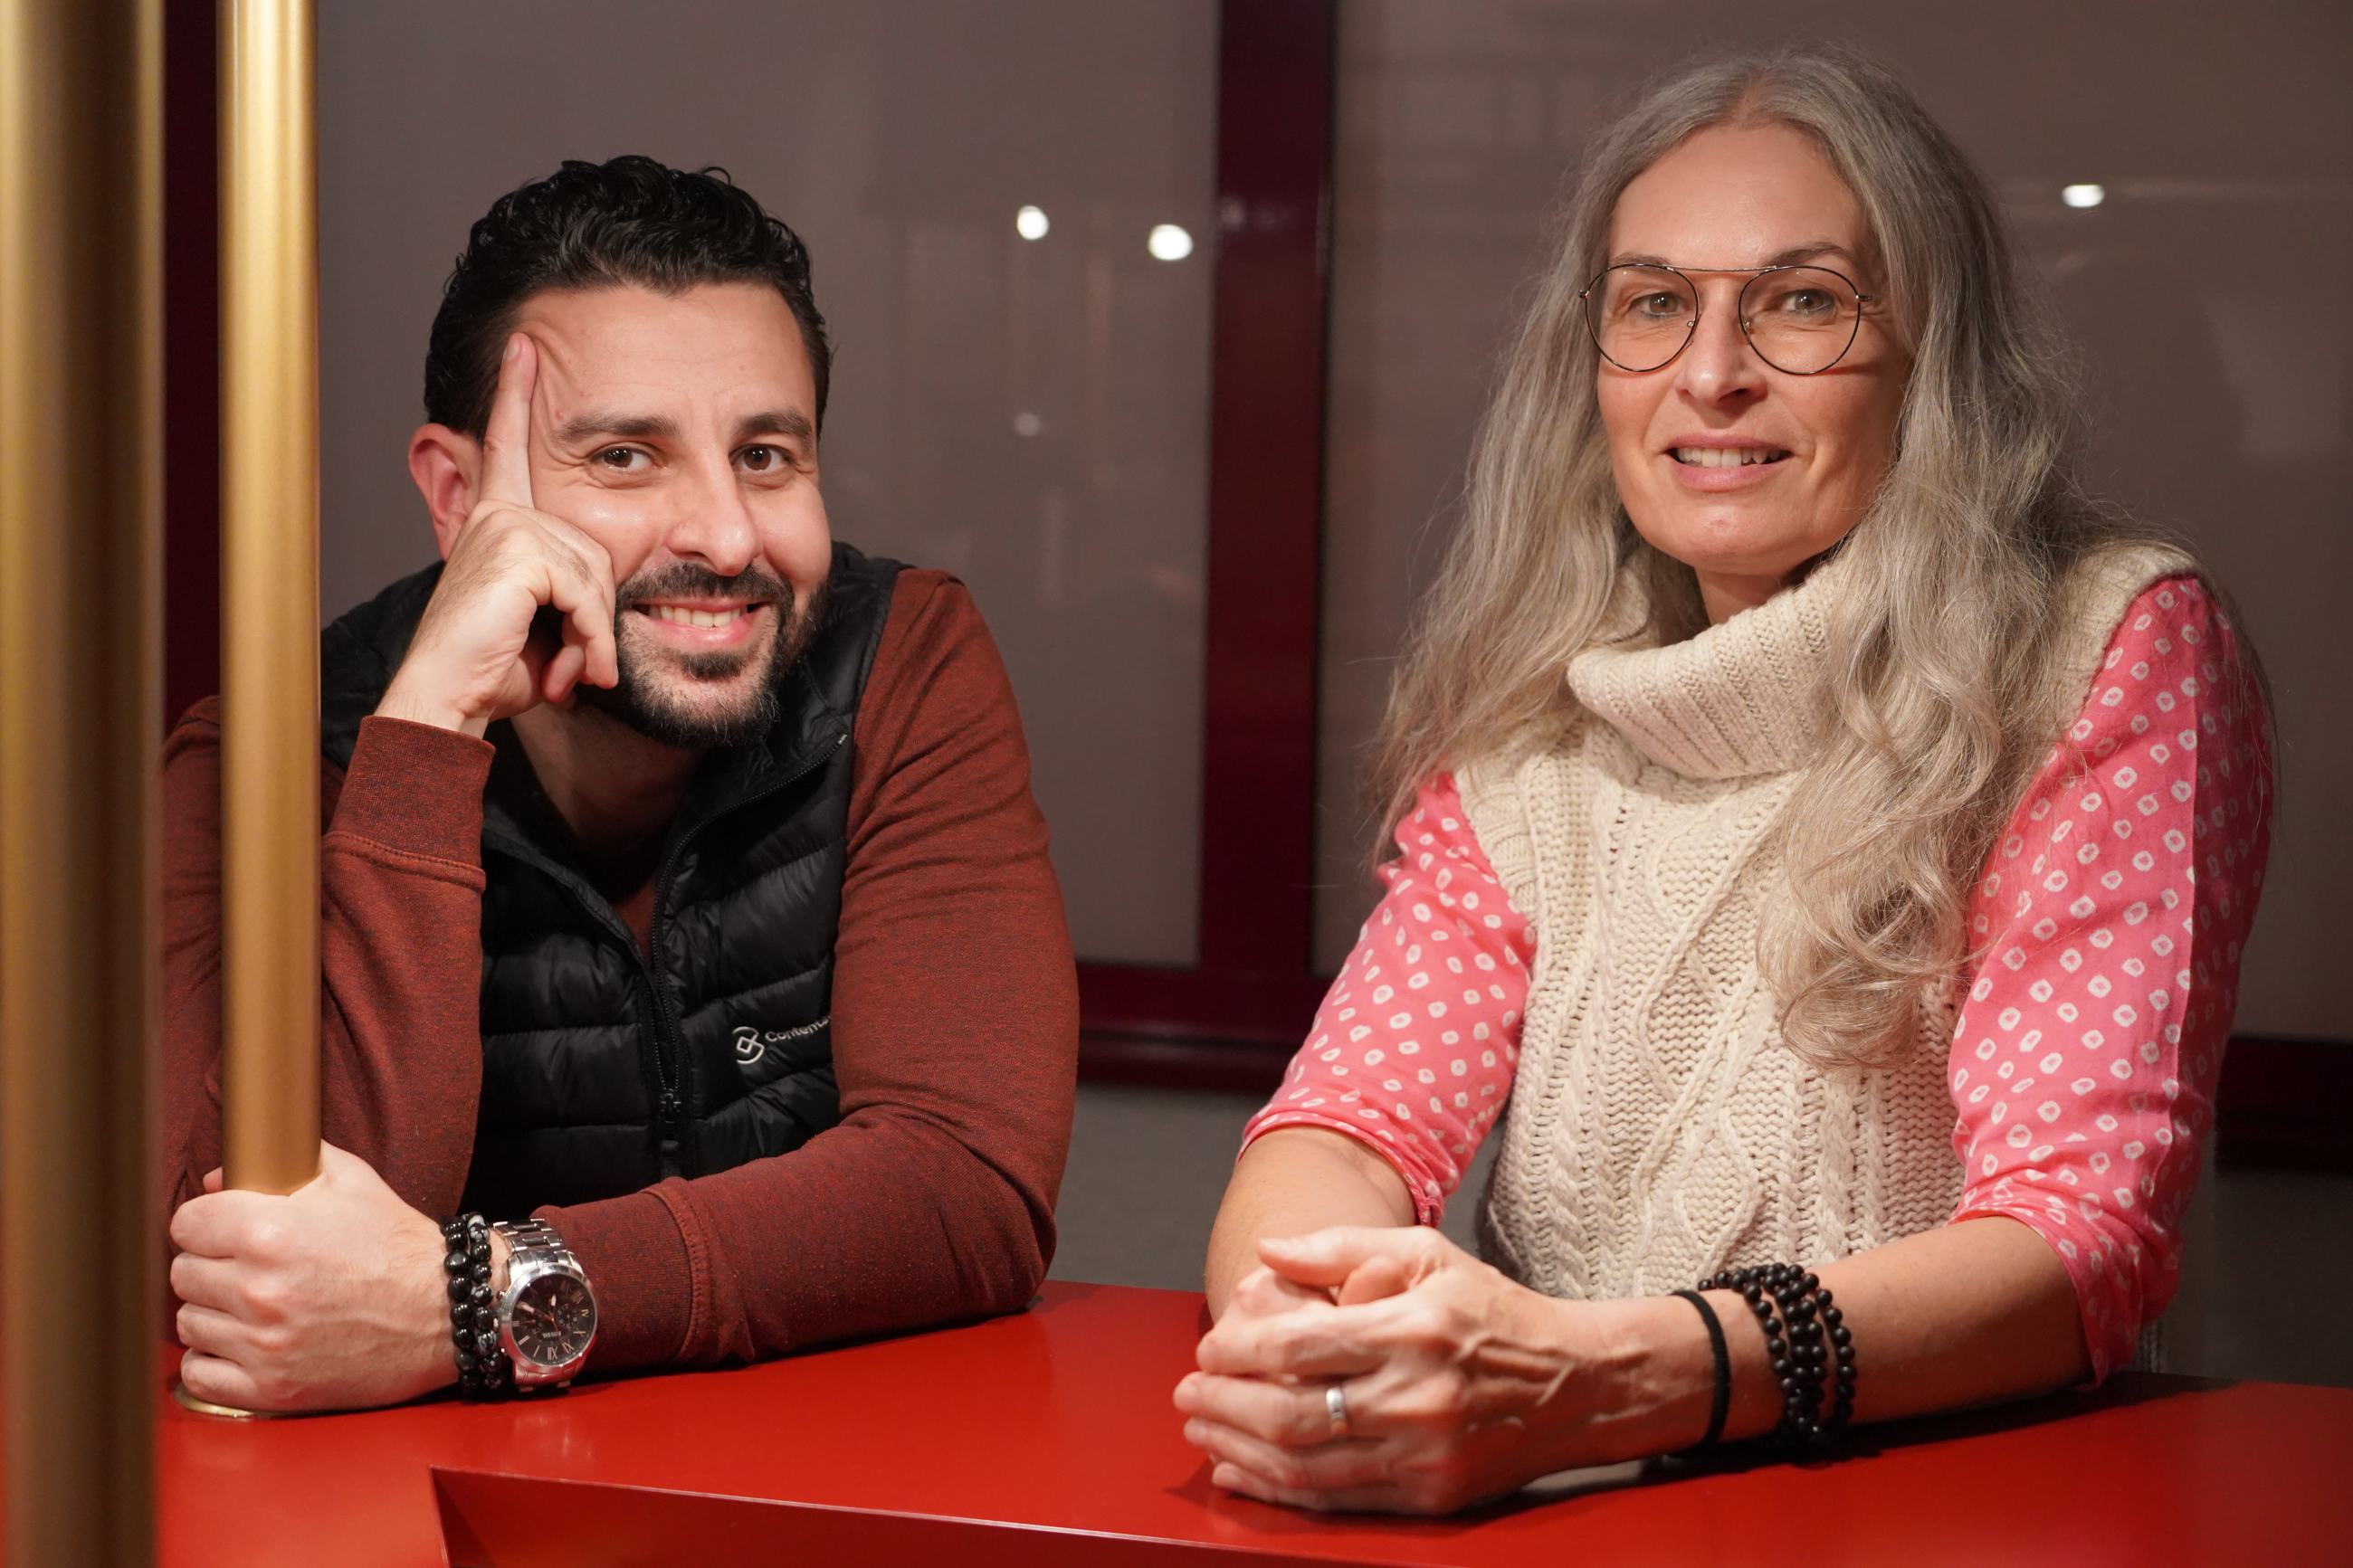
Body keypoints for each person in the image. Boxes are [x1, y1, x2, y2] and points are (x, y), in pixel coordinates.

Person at [1180, 47, 2272, 1514]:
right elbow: (1350, 1121)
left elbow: (2077, 1240)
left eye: (1802, 301)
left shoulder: (2102, 647)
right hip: (1554, 1502)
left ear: (1933, 355)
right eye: (1653, 304)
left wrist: (1601, 1382)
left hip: (1925, 1517)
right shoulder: (1536, 698)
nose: (1710, 373)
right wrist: (1313, 1335)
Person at [163, 157, 1077, 1412]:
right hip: (414, 1490)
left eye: (767, 454)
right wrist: (429, 733)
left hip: (818, 1458)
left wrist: (476, 1301)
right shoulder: (261, 762)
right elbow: (242, 1273)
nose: (728, 536)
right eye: (627, 457)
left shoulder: (899, 663)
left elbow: (965, 1185)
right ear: (456, 497)